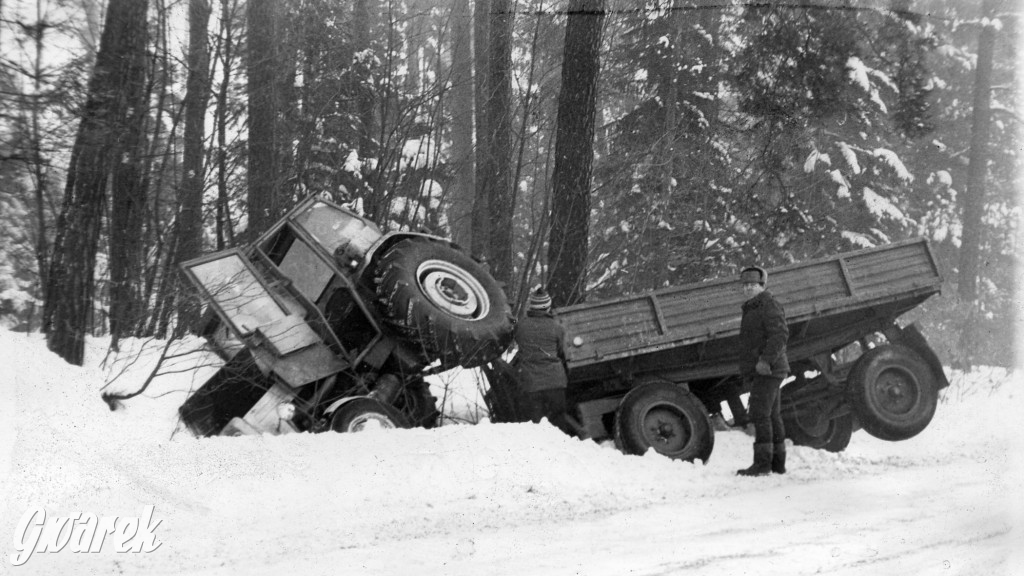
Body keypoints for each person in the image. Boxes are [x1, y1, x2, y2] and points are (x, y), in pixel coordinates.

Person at [735, 265, 790, 476]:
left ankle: (762, 464)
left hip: (768, 370)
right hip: (767, 369)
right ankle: (777, 463)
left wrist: (765, 361)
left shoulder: (768, 304)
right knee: (772, 415)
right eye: (745, 285)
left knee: (760, 414)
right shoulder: (754, 306)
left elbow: (780, 335)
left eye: (753, 285)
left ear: (762, 286)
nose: (748, 288)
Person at [512, 287, 572, 434]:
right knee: (558, 423)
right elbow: (561, 351)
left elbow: (519, 345)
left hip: (531, 384)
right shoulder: (557, 327)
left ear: (531, 306)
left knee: (535, 427)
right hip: (555, 383)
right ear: (548, 307)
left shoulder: (521, 326)